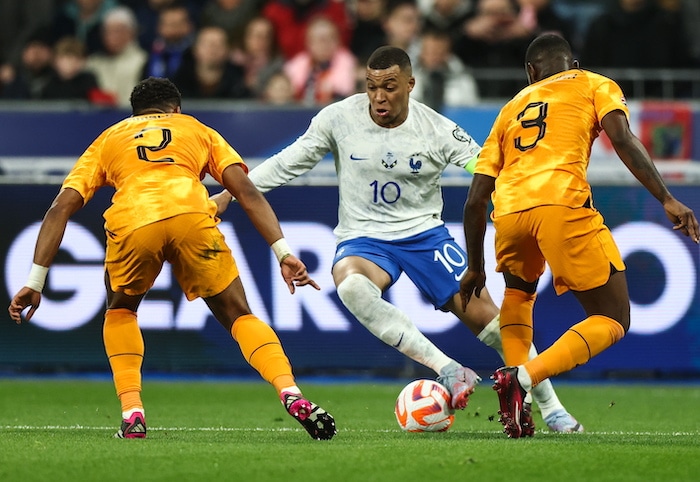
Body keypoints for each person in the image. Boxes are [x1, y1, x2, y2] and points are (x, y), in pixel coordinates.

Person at [212, 45, 582, 433]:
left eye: (389, 86)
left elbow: (486, 169)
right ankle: (449, 369)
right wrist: (226, 195)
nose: (378, 97)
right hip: (364, 237)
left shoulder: (437, 129)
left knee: (493, 325)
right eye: (371, 87)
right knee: (352, 286)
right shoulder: (339, 118)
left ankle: (553, 408)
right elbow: (288, 162)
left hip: (425, 235)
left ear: (409, 84)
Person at [7, 77, 336, 441]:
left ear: (135, 113)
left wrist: (35, 282)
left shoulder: (110, 137)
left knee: (120, 311)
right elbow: (245, 191)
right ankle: (290, 391)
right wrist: (283, 252)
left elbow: (60, 208)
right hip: (192, 218)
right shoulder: (196, 129)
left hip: (134, 223)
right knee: (239, 315)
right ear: (175, 109)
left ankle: (133, 413)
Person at [460, 33, 700, 439]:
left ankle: (517, 401)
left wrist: (475, 268)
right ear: (572, 63)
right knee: (613, 317)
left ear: (530, 73)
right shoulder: (593, 83)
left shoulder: (510, 108)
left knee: (518, 295)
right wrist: (667, 198)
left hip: (511, 210)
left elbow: (475, 199)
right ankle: (522, 379)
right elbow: (621, 138)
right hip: (560, 202)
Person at [85, 6, 148, 107]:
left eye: (118, 31)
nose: (112, 36)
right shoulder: (93, 63)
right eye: (108, 31)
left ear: (131, 33)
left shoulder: (142, 61)